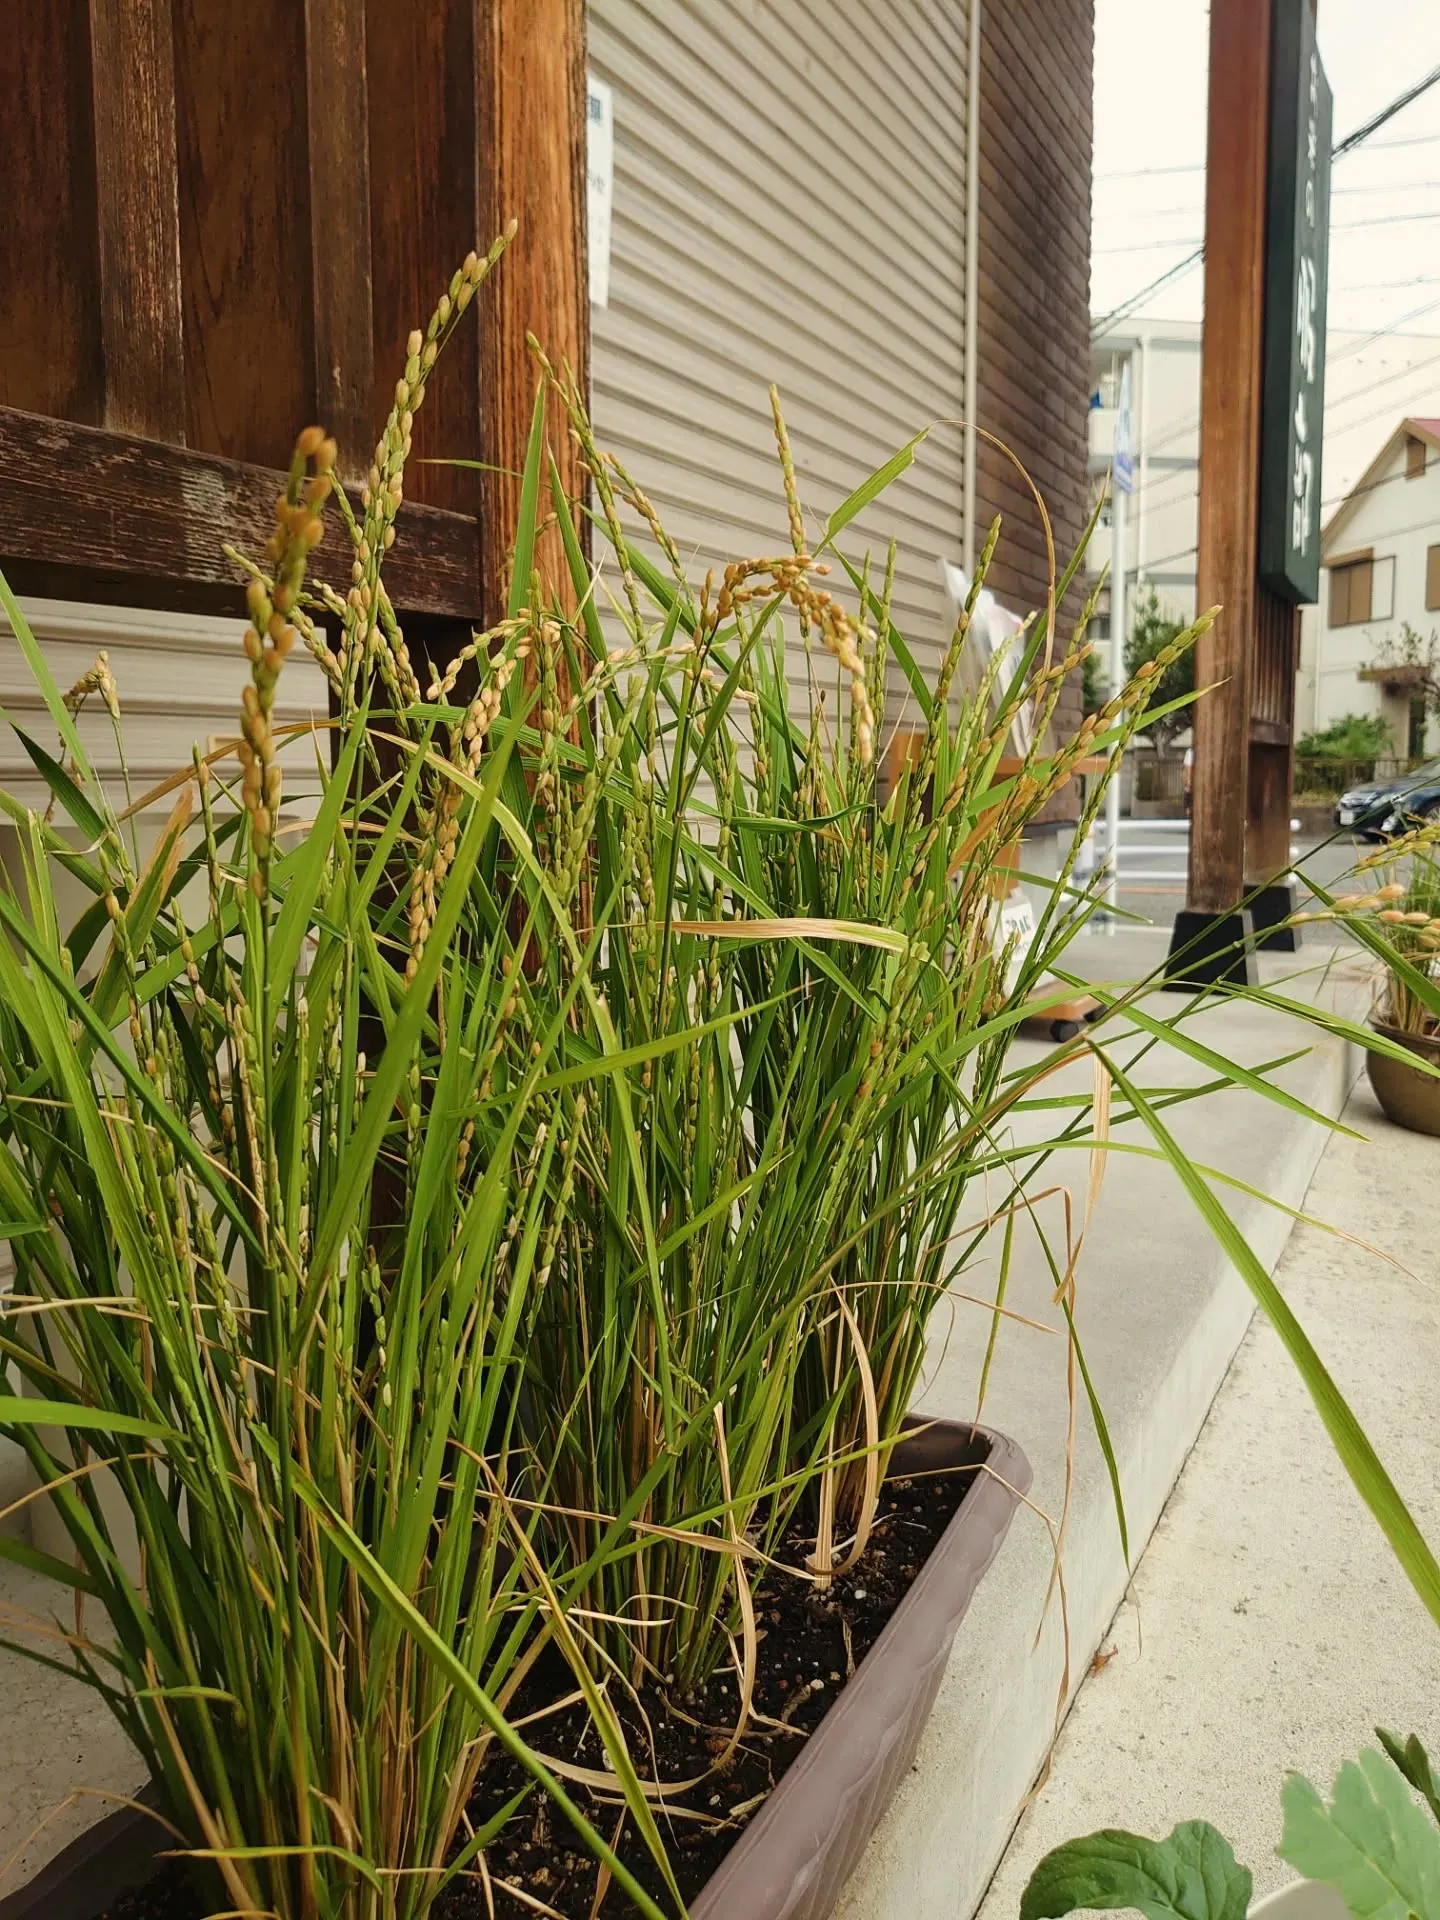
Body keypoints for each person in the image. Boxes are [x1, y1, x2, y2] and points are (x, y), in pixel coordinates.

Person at [1182, 743, 1194, 814]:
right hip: (1190, 789)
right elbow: (1187, 769)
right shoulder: (1190, 752)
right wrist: (1187, 781)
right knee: (1189, 811)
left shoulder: (1190, 752)